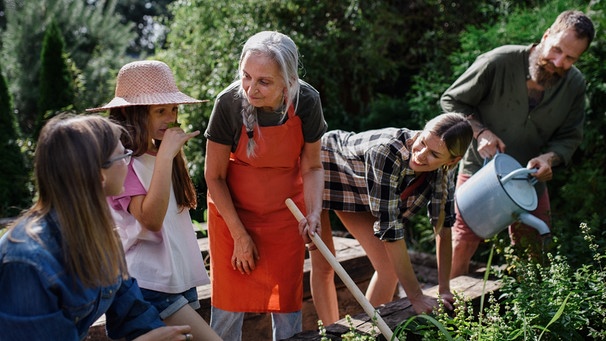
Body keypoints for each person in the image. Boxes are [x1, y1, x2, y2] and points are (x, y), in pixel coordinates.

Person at [0, 114, 195, 341]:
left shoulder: (100, 236)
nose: (128, 161)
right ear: (100, 175)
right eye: (123, 155)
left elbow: (133, 313)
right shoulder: (27, 263)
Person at [440, 10, 595, 278]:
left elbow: (570, 136)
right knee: (462, 243)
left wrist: (550, 158)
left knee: (535, 247)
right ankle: (448, 313)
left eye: (570, 58)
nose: (559, 62)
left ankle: (530, 310)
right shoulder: (499, 61)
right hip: (480, 170)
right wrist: (480, 132)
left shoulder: (575, 85)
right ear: (546, 35)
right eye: (556, 49)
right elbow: (452, 101)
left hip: (529, 179)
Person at [204, 31, 326, 341]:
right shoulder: (228, 104)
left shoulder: (307, 101)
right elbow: (214, 176)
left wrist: (313, 213)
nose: (251, 89)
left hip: (285, 217)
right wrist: (240, 235)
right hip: (232, 216)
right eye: (246, 76)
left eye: (264, 81)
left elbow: (311, 165)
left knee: (286, 306)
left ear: (288, 82)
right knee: (228, 312)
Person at [87, 60, 221, 341]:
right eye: (160, 110)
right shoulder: (124, 163)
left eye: (173, 109)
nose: (170, 118)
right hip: (149, 283)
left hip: (175, 279)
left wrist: (165, 157)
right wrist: (165, 157)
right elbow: (151, 219)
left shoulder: (159, 155)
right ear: (129, 112)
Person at [310, 113, 473, 324]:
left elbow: (443, 225)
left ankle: (367, 334)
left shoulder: (444, 170)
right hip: (323, 164)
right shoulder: (386, 153)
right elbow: (390, 230)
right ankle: (331, 334)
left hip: (358, 190)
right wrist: (416, 295)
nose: (421, 155)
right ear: (422, 130)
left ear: (452, 160)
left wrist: (444, 288)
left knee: (388, 269)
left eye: (433, 154)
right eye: (422, 142)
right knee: (324, 263)